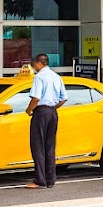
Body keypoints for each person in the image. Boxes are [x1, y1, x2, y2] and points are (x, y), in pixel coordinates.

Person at [24, 53, 66, 189]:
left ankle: (40, 179)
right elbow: (63, 98)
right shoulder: (56, 77)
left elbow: (36, 98)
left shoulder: (39, 77)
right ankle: (50, 179)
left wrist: (29, 110)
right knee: (50, 146)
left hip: (41, 112)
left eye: (34, 64)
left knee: (38, 146)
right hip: (53, 112)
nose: (33, 67)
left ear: (39, 63)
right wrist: (53, 107)